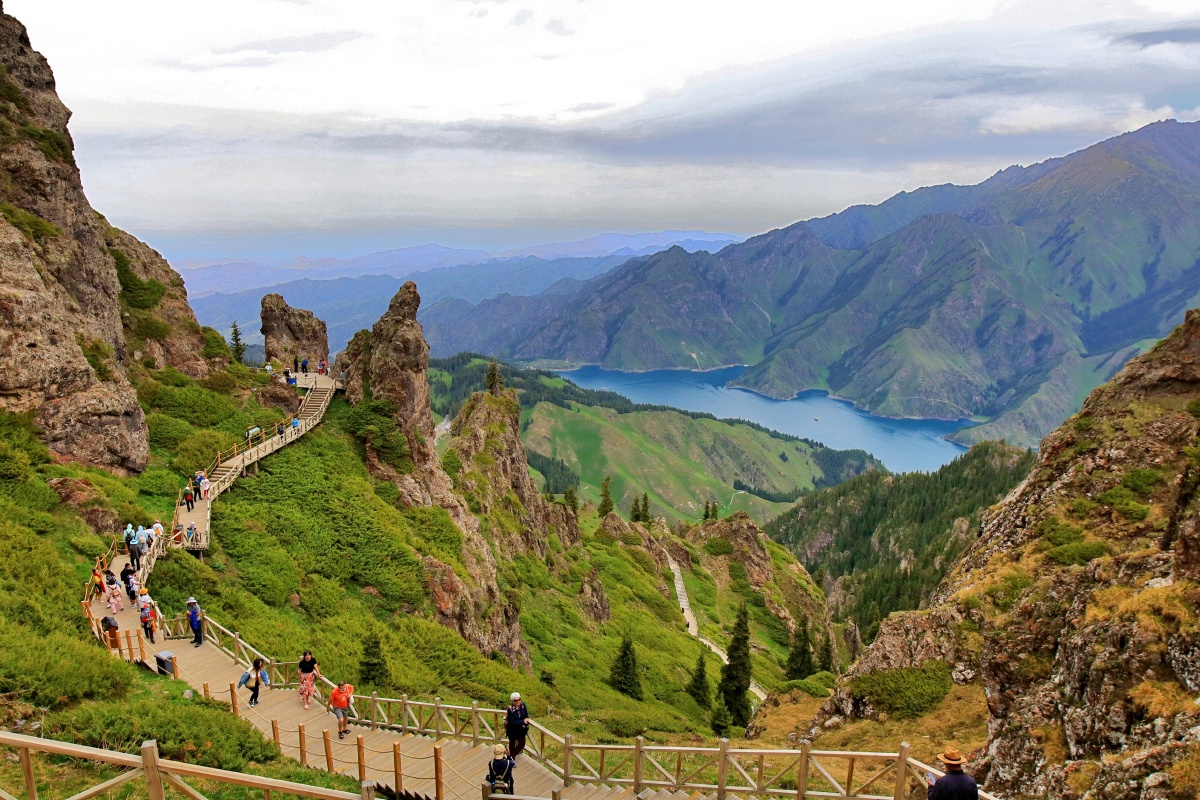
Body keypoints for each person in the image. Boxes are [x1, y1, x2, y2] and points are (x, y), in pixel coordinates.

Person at [505, 692, 530, 758]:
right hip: (512, 729)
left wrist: (526, 719)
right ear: (513, 701)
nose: (518, 701)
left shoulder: (523, 705)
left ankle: (511, 756)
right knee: (512, 744)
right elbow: (512, 722)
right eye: (516, 700)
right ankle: (511, 757)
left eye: (519, 699)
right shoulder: (510, 709)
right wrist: (523, 721)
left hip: (521, 729)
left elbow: (526, 715)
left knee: (522, 744)